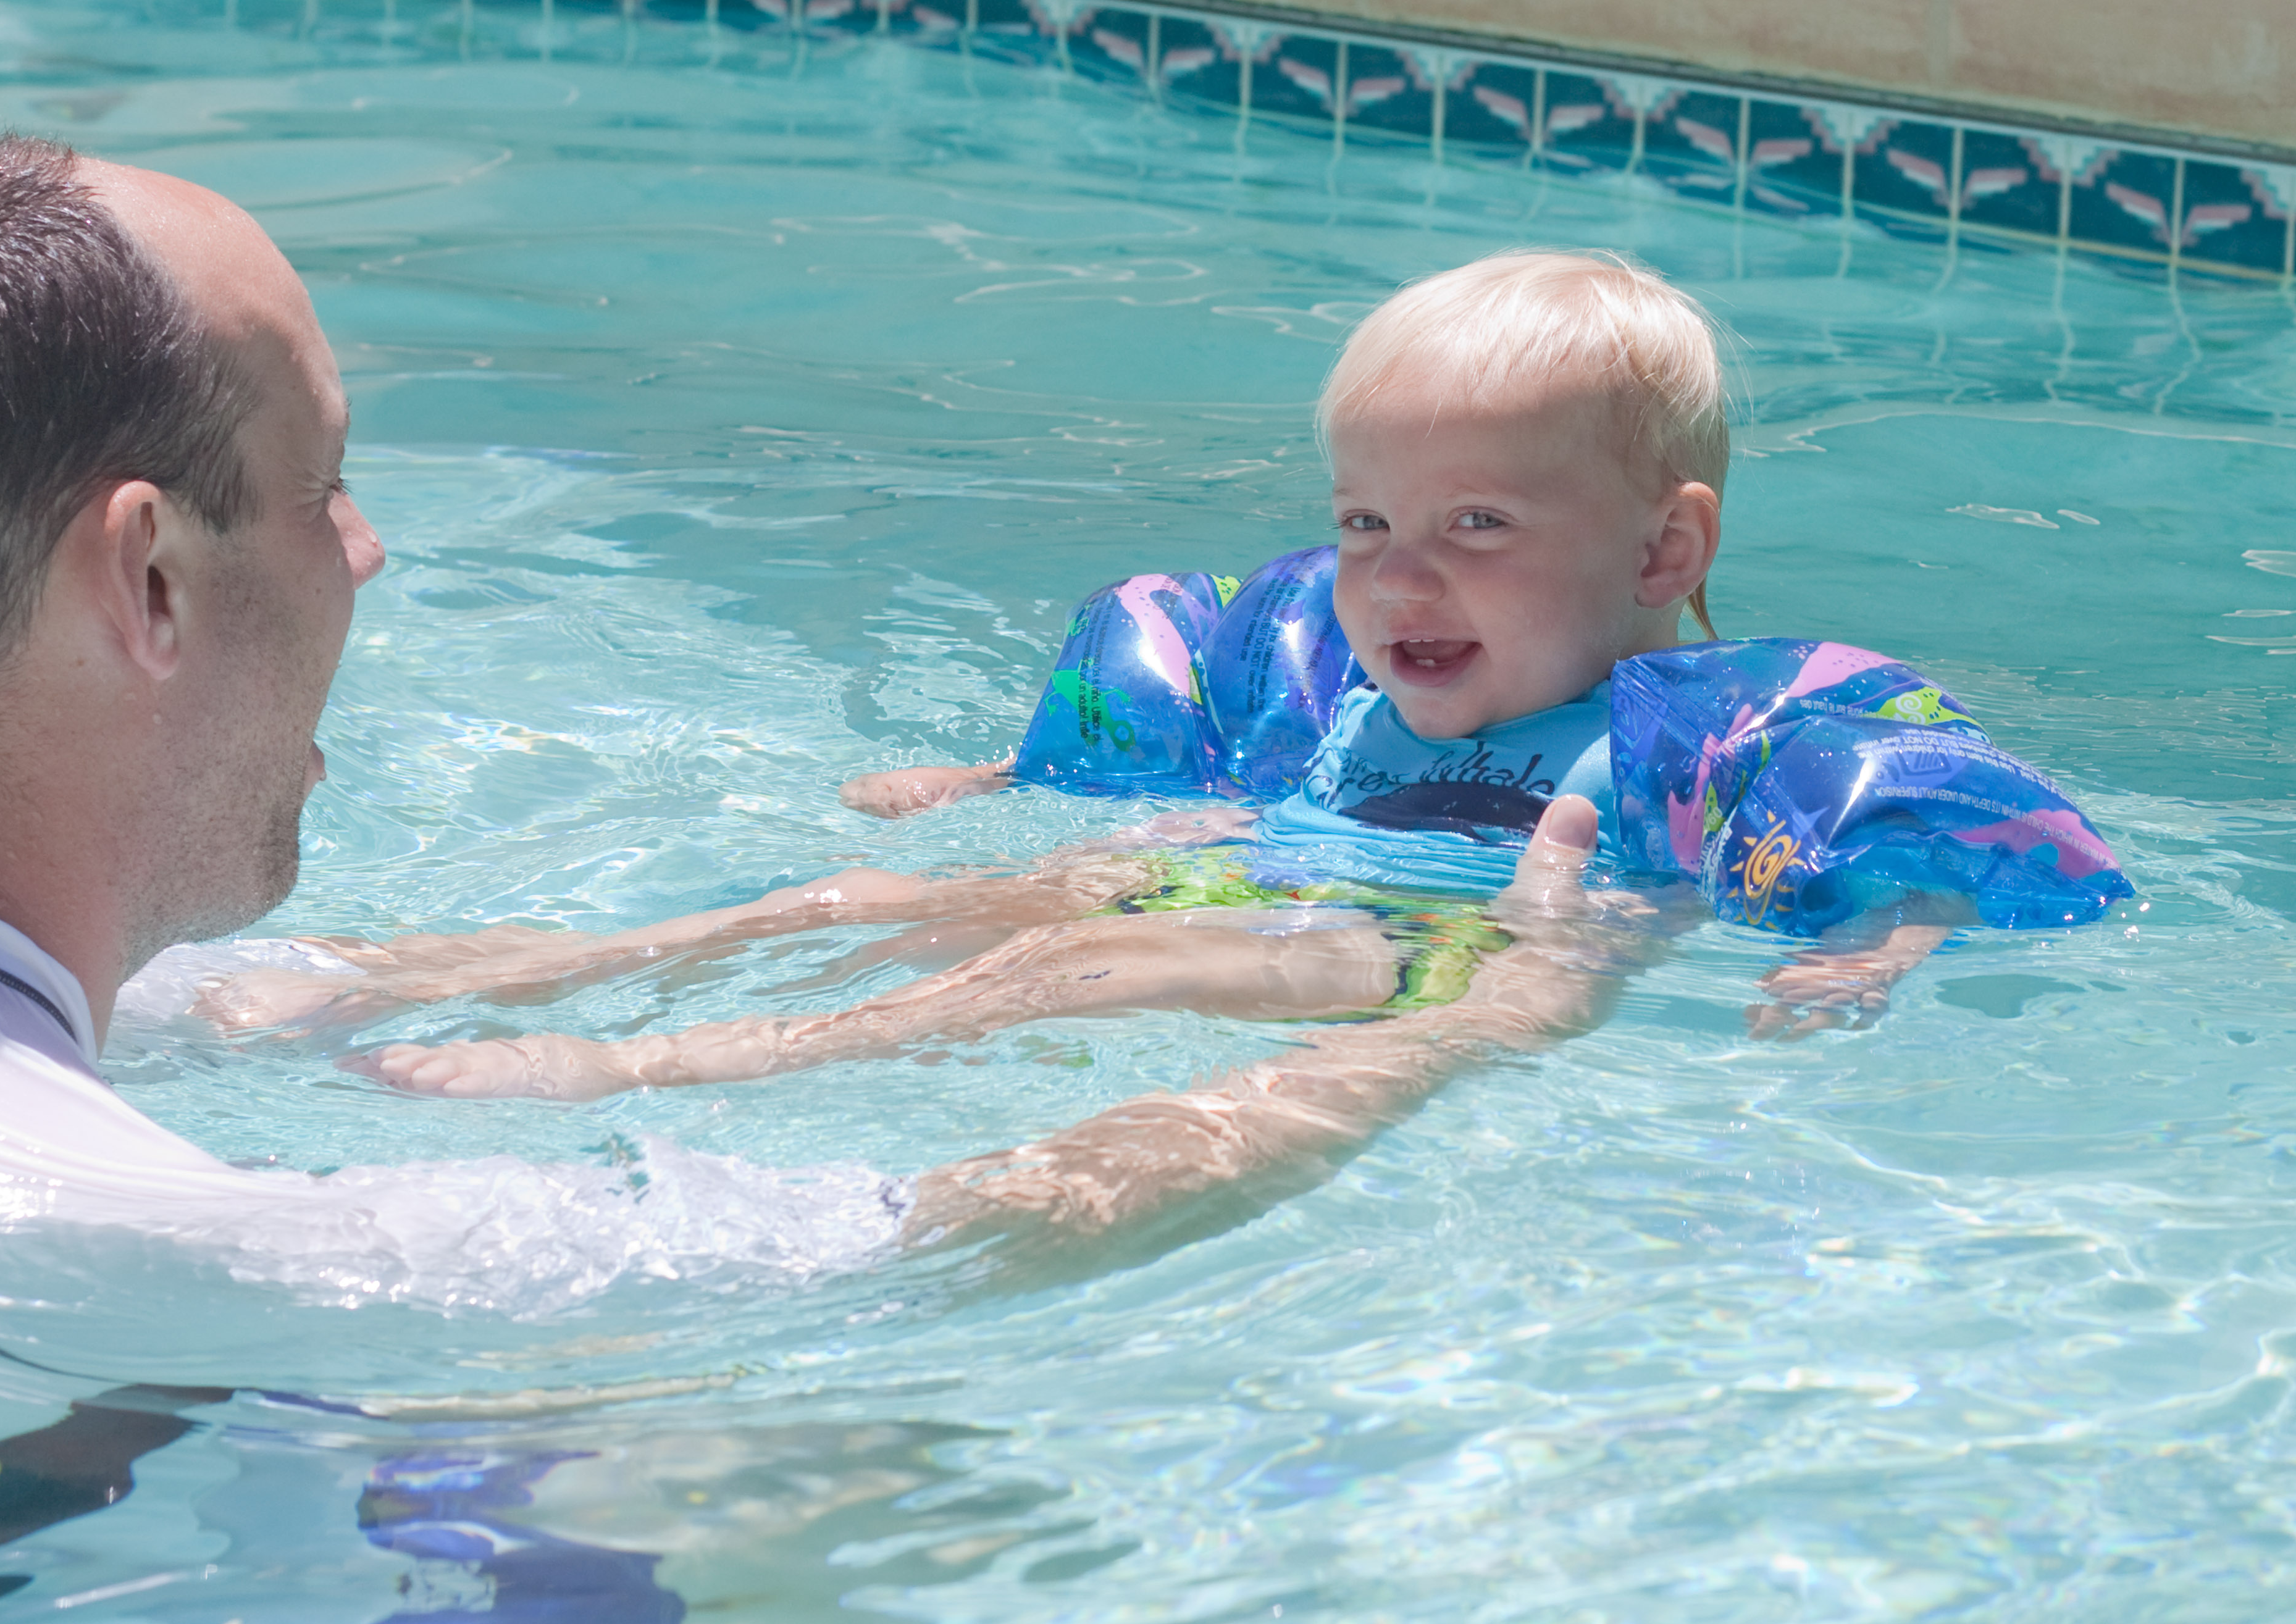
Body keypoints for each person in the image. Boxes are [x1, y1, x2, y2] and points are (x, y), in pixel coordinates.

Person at [0, 142, 1625, 1315]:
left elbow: (254, 998)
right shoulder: (149, 1246)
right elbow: (969, 1224)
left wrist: (744, 940)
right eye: (323, 486)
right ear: (148, 580)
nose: (369, 549)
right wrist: (1471, 1026)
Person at [194, 252, 1893, 1114]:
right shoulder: (1359, 687)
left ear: (1665, 550)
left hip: (1418, 944)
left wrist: (1879, 943)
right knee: (861, 893)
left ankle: (658, 1067)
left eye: (1478, 526)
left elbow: (1909, 848)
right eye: (1365, 523)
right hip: (1278, 869)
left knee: (1085, 962)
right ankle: (417, 972)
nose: (1397, 578)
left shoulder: (1712, 744)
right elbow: (1242, 757)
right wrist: (999, 787)